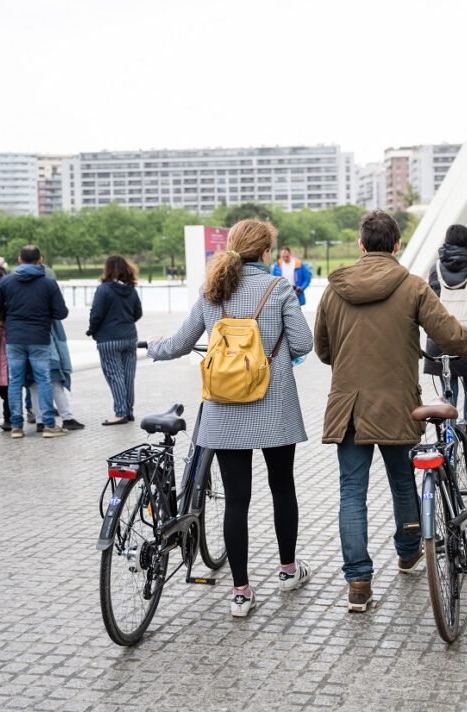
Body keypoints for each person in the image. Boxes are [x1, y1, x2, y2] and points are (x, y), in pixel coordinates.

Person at [313, 210, 467, 613]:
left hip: (348, 407)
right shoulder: (412, 286)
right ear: (397, 245)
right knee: (404, 484)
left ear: (361, 245)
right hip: (398, 405)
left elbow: (323, 350)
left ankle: (359, 583)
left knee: (352, 492)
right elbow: (451, 336)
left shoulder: (334, 290)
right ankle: (407, 553)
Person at [148, 219, 314, 619]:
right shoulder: (279, 289)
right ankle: (288, 571)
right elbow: (305, 343)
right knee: (282, 488)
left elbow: (180, 343)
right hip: (274, 407)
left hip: (225, 410)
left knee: (236, 500)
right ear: (266, 252)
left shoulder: (213, 291)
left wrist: (154, 348)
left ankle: (241, 592)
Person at [0, 245, 69, 439]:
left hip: (14, 339)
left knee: (15, 383)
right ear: (40, 260)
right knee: (43, 380)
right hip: (39, 339)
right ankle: (48, 425)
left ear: (20, 260)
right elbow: (61, 312)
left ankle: (16, 427)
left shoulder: (6, 282)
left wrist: (6, 313)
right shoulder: (48, 283)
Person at [425, 224, 467, 430]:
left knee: (449, 387)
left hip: (441, 337)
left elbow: (430, 302)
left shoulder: (435, 268)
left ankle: (451, 436)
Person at [89, 255, 144, 425]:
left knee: (115, 375)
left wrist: (92, 330)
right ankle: (129, 411)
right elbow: (138, 313)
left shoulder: (104, 289)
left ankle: (120, 413)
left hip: (108, 339)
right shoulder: (131, 289)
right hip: (129, 337)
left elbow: (96, 314)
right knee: (128, 375)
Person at [29, 320, 84, 431]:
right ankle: (67, 418)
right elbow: (60, 339)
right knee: (56, 386)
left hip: (26, 354)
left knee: (34, 388)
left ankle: (40, 422)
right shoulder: (48, 310)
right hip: (48, 354)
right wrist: (64, 362)